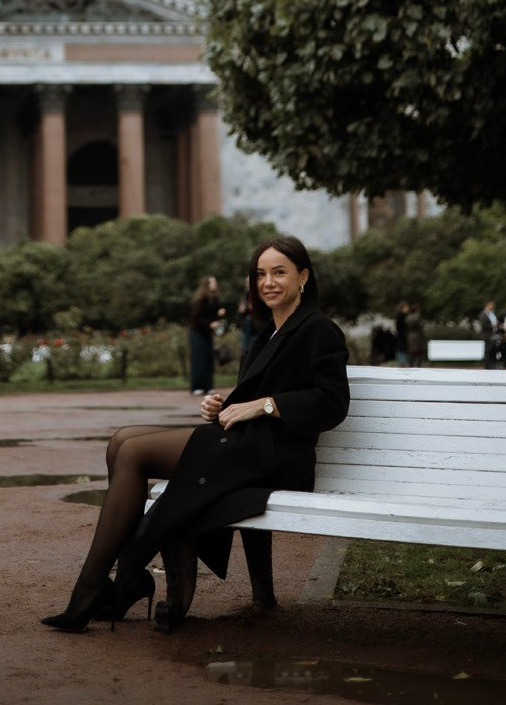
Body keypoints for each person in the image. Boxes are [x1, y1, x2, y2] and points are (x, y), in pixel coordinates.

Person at [40, 235, 350, 633]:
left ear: (303, 276)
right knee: (121, 441)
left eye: (279, 272)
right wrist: (223, 407)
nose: (268, 282)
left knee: (133, 453)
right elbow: (255, 396)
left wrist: (265, 405)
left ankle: (91, 591)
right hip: (248, 445)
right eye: (260, 274)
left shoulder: (319, 329)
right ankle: (124, 582)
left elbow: (332, 403)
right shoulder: (267, 332)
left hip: (276, 457)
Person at [187, 276, 225, 396]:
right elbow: (195, 318)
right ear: (207, 285)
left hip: (207, 333)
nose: (215, 284)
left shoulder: (214, 299)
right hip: (197, 333)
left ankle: (208, 386)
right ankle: (197, 386)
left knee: (209, 358)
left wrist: (219, 313)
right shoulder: (201, 300)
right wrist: (210, 323)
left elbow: (213, 315)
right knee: (199, 359)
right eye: (213, 282)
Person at [478, 300, 500, 369]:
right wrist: (492, 325)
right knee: (488, 350)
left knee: (492, 350)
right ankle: (487, 365)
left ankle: (492, 364)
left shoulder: (492, 314)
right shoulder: (483, 314)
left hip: (492, 335)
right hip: (487, 335)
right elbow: (484, 324)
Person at [405, 303, 426, 367]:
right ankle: (418, 366)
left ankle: (410, 365)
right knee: (419, 353)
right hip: (417, 336)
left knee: (411, 353)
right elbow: (420, 326)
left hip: (410, 336)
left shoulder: (407, 317)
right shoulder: (417, 316)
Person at [395, 301, 410, 365]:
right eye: (405, 307)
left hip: (407, 338)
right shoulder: (400, 317)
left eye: (407, 307)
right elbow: (398, 328)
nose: (407, 309)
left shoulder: (408, 317)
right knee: (402, 350)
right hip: (402, 337)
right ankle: (402, 362)